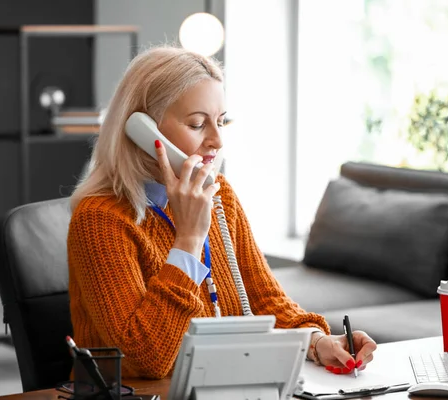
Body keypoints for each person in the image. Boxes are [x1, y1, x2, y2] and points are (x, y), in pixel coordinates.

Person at [67, 45, 377, 379]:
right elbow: (145, 358)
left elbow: (264, 300)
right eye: (198, 124)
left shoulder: (219, 196)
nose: (217, 140)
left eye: (221, 122)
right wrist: (187, 240)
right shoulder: (100, 219)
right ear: (142, 130)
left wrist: (317, 341)